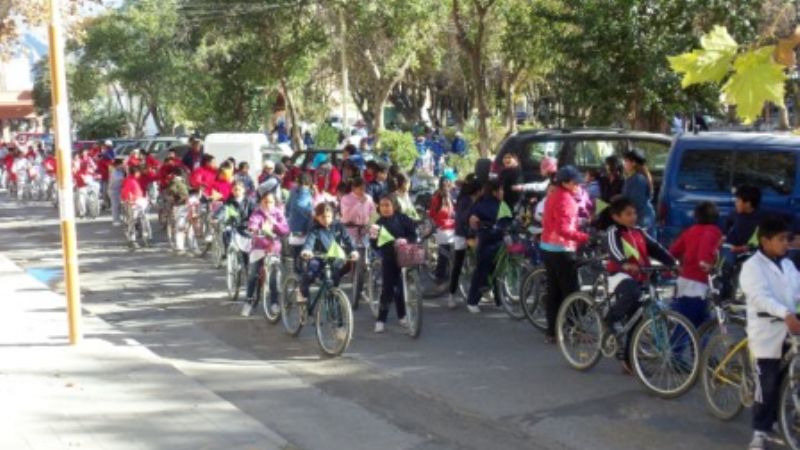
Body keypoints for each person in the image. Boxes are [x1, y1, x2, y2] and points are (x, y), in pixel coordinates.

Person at [741, 217, 800, 450]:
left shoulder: (787, 265)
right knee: (766, 384)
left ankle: (778, 418)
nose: (786, 243)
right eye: (781, 239)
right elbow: (758, 297)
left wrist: (793, 311)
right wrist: (785, 313)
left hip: (789, 329)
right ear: (765, 240)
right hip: (766, 332)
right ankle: (760, 431)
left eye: (788, 238)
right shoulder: (752, 266)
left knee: (784, 379)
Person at [604, 196, 676, 370]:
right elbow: (614, 250)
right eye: (628, 214)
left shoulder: (639, 232)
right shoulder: (614, 232)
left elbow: (656, 248)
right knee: (633, 293)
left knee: (636, 319)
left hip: (641, 275)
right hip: (620, 275)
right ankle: (611, 318)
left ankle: (628, 360)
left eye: (634, 213)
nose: (633, 217)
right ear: (616, 217)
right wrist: (624, 263)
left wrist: (673, 263)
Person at [540, 166, 590, 343]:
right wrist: (585, 237)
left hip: (548, 247)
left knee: (554, 292)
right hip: (562, 250)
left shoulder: (553, 195)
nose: (578, 185)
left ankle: (552, 332)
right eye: (575, 182)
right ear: (565, 183)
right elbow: (563, 229)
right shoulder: (566, 199)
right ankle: (573, 331)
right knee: (571, 293)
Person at [668, 201, 722, 328]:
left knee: (690, 322)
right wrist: (705, 263)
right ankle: (688, 348)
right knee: (694, 324)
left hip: (684, 280)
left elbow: (673, 251)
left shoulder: (690, 231)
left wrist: (675, 266)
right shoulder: (713, 231)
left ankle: (696, 347)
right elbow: (704, 254)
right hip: (698, 283)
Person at [370, 195, 418, 333]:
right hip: (389, 258)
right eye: (382, 205)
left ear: (394, 206)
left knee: (402, 288)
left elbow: (413, 235)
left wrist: (405, 240)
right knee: (388, 288)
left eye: (387, 205)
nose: (384, 208)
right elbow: (375, 246)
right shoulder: (378, 223)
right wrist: (373, 236)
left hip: (405, 256)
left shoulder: (404, 219)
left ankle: (402, 315)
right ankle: (381, 319)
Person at [465, 179, 513, 314]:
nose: (503, 192)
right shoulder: (481, 205)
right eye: (501, 190)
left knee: (499, 272)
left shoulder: (502, 204)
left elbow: (508, 221)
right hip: (485, 242)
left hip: (499, 242)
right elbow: (471, 219)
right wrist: (475, 221)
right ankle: (472, 301)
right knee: (482, 272)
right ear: (494, 192)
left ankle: (500, 300)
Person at [241, 192, 289, 317]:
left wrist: (275, 224)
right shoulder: (257, 213)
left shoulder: (278, 213)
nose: (268, 204)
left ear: (275, 203)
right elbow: (252, 224)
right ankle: (249, 302)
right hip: (258, 248)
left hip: (273, 248)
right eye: (265, 201)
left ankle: (274, 303)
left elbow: (285, 229)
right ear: (261, 202)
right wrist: (255, 229)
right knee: (253, 275)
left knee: (274, 277)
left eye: (271, 202)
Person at [299, 203, 358, 302]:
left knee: (336, 276)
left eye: (329, 216)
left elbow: (348, 240)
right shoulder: (315, 229)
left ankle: (333, 299)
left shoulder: (338, 226)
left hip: (334, 257)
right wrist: (307, 250)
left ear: (333, 215)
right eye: (323, 217)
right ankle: (302, 290)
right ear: (317, 217)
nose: (326, 219)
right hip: (317, 256)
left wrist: (353, 250)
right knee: (311, 272)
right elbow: (309, 241)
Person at [720, 185, 762, 299]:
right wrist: (723, 237)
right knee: (726, 264)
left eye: (738, 201)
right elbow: (727, 224)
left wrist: (745, 248)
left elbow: (759, 240)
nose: (736, 203)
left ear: (748, 204)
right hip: (731, 246)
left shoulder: (760, 218)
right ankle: (725, 296)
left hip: (749, 249)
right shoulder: (735, 214)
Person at [446, 174, 481, 308]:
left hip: (471, 234)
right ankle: (451, 295)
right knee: (458, 265)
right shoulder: (465, 200)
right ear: (477, 190)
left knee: (474, 262)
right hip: (462, 235)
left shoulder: (471, 199)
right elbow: (462, 219)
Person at [428, 174, 456, 287]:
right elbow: (432, 214)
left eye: (448, 182)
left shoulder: (449, 196)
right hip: (443, 227)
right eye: (446, 182)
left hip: (449, 226)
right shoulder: (437, 197)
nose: (447, 185)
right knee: (444, 253)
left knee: (446, 252)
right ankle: (440, 276)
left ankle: (443, 274)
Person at [621, 149, 656, 234]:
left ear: (634, 163)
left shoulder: (638, 179)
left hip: (642, 219)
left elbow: (635, 203)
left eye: (626, 161)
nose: (624, 164)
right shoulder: (631, 178)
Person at [120, 166, 149, 248]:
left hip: (139, 203)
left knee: (142, 220)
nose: (140, 174)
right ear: (136, 173)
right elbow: (125, 192)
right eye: (139, 172)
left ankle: (144, 236)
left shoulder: (133, 180)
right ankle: (132, 240)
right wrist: (129, 199)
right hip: (133, 204)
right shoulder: (130, 181)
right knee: (132, 221)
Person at [108, 158, 126, 226]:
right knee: (115, 205)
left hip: (120, 190)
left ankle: (118, 218)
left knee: (119, 205)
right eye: (122, 164)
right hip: (113, 190)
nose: (123, 165)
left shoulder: (121, 170)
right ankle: (115, 220)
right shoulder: (114, 172)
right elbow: (121, 179)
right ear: (118, 165)